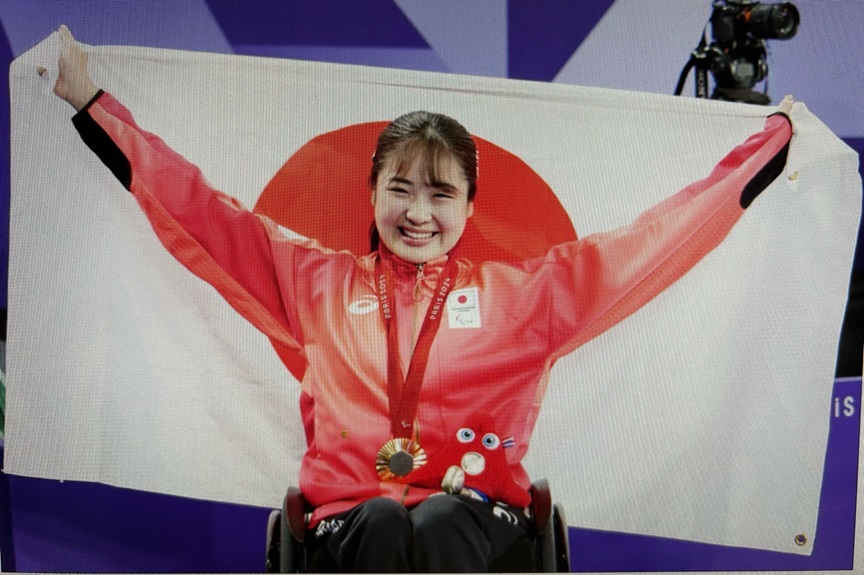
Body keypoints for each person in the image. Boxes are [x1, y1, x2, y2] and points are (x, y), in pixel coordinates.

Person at [45, 25, 793, 572]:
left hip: (479, 523)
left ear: (469, 206)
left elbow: (651, 243)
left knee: (438, 520)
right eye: (400, 189)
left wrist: (766, 151)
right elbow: (200, 212)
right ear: (371, 192)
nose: (418, 213)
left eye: (440, 194)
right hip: (348, 523)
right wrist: (90, 101)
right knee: (378, 519)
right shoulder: (315, 284)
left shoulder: (523, 299)